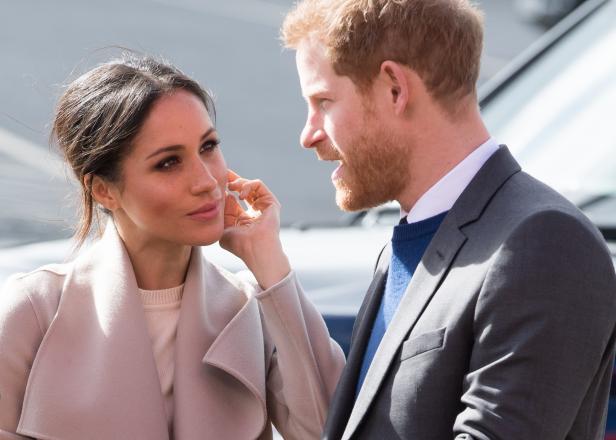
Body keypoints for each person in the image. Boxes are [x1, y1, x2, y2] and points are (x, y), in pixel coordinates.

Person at [281, 1, 616, 439]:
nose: (310, 134)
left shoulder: (545, 244)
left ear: (394, 88)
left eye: (323, 101)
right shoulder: (408, 241)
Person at [0, 54, 345, 440]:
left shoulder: (248, 309)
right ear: (102, 190)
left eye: (208, 147)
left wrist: (270, 263)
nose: (206, 181)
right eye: (168, 163)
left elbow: (327, 429)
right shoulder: (34, 312)